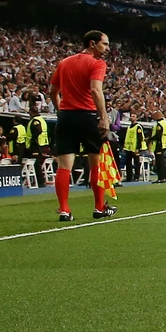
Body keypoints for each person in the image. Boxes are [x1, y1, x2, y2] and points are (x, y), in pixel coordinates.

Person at [49, 30, 116, 221]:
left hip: (66, 117)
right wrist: (103, 117)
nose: (107, 49)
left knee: (64, 166)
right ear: (93, 43)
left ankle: (64, 210)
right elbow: (96, 89)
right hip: (87, 116)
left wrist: (60, 110)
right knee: (96, 164)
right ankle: (99, 207)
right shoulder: (97, 63)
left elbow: (53, 91)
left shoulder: (64, 63)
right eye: (105, 44)